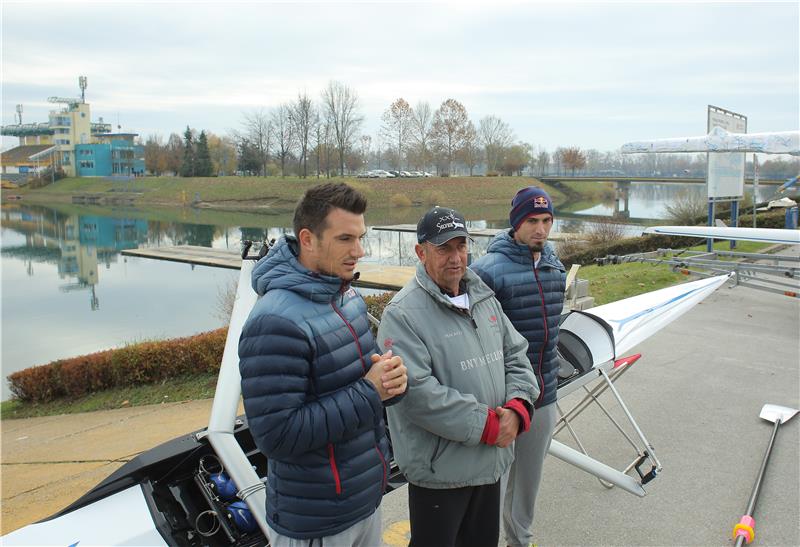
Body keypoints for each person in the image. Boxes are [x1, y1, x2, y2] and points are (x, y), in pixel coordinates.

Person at [239, 182, 408, 546]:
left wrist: (391, 385)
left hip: (364, 502)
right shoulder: (274, 322)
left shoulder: (345, 296)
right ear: (308, 239)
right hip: (318, 521)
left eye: (361, 237)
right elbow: (277, 436)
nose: (359, 251)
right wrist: (370, 390)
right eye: (346, 239)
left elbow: (366, 387)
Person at [376, 206, 538, 547]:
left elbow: (516, 354)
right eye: (444, 248)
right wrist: (492, 425)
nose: (456, 257)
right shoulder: (403, 314)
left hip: (489, 462)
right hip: (441, 474)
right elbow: (417, 395)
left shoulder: (483, 297)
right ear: (421, 252)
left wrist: (519, 406)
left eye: (461, 246)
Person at [470, 186, 566, 547]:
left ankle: (520, 540)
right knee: (496, 479)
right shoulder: (487, 271)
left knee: (529, 481)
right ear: (516, 223)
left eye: (546, 221)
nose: (540, 229)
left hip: (546, 392)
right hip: (503, 397)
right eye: (531, 221)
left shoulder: (555, 266)